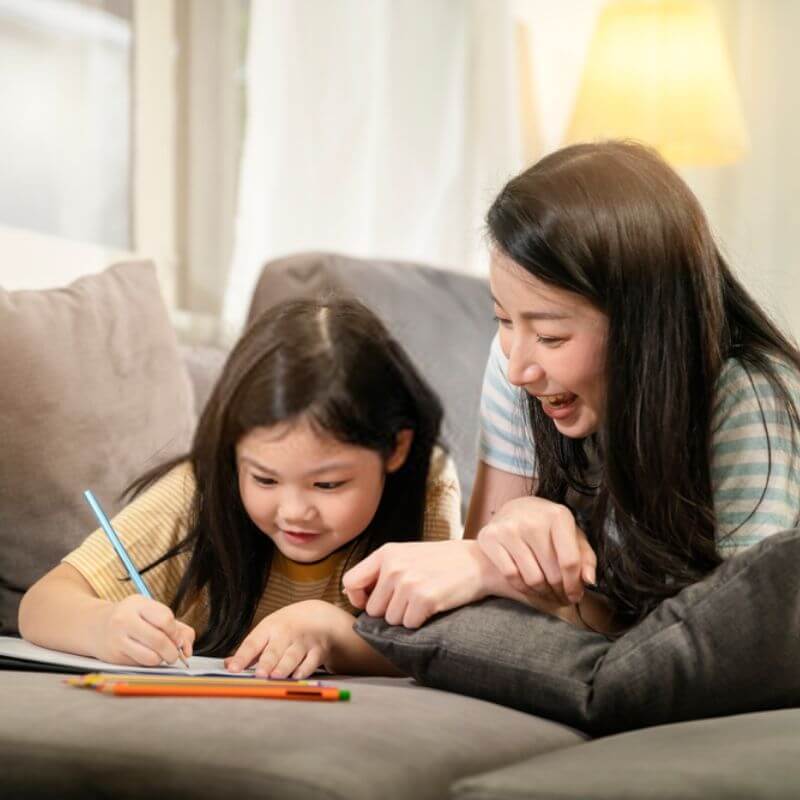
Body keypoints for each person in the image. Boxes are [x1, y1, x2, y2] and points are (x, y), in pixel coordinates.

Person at [343, 140, 800, 634]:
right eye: (503, 319)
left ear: (646, 326)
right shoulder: (516, 365)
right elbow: (473, 604)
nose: (519, 369)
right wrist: (511, 528)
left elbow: (720, 644)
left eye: (551, 336)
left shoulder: (752, 398)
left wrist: (495, 570)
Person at [18, 297, 461, 678]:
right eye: (264, 479)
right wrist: (104, 625)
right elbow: (41, 603)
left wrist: (332, 633)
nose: (293, 511)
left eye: (327, 484)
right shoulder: (199, 489)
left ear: (396, 449)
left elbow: (444, 644)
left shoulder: (428, 487)